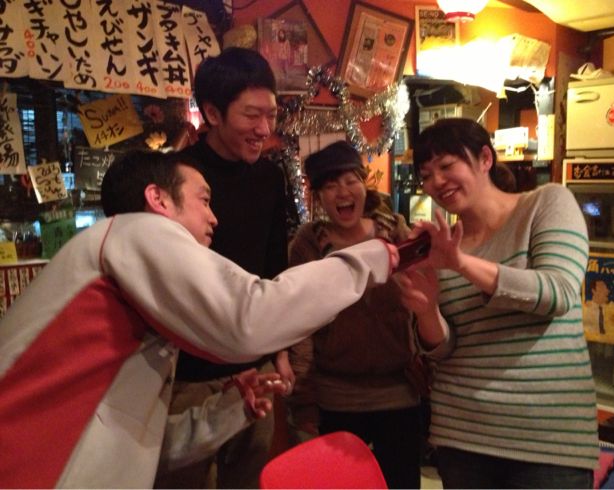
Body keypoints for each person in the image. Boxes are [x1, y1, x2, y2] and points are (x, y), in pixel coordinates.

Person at [0, 150, 399, 489]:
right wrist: (372, 258)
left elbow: (143, 447)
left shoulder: (136, 306)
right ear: (158, 199)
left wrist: (230, 409)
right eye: (204, 200)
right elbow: (250, 318)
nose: (214, 218)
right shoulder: (137, 230)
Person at [395, 118, 599, 489]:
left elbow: (558, 292)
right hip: (462, 435)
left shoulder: (546, 203)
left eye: (446, 165)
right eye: (425, 175)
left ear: (485, 159)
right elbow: (444, 348)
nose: (436, 182)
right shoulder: (442, 247)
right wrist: (427, 310)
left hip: (547, 438)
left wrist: (461, 263)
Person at [166, 46, 292, 489]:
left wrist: (280, 350)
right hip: (188, 373)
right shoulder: (176, 178)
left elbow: (275, 267)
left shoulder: (270, 177)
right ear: (213, 114)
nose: (264, 129)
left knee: (247, 479)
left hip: (253, 365)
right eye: (251, 115)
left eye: (271, 115)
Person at [285, 141, 423, 489]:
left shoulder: (395, 234)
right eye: (331, 185)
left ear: (364, 184)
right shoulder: (309, 243)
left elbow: (424, 306)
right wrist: (304, 402)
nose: (343, 192)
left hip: (399, 393)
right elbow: (301, 324)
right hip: (336, 397)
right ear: (318, 196)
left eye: (350, 181)